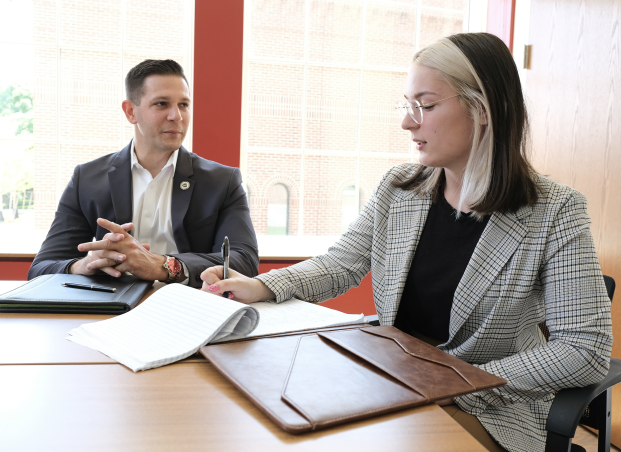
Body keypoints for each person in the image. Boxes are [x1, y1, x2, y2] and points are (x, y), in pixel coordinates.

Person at [198, 33, 613, 452]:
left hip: (491, 406)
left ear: (483, 110)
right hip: (391, 381)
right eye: (407, 105)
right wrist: (261, 286)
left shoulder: (555, 211)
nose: (407, 123)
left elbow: (585, 349)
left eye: (426, 106)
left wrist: (465, 385)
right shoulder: (399, 188)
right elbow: (342, 265)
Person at [28, 59, 259, 288]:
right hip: (112, 311)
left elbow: (244, 261)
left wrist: (162, 266)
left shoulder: (223, 181)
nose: (176, 116)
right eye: (161, 104)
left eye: (184, 105)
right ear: (131, 112)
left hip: (192, 310)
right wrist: (83, 265)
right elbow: (41, 269)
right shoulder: (86, 179)